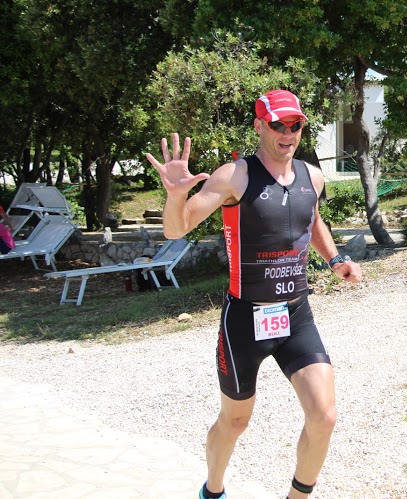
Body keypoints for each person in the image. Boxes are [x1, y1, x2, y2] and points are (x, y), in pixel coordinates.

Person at [146, 89, 363, 499]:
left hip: (296, 315)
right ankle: (212, 490)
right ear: (259, 126)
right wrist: (176, 197)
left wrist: (335, 260)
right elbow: (176, 228)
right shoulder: (235, 176)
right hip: (245, 319)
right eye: (278, 124)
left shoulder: (312, 176)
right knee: (235, 422)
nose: (288, 133)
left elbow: (311, 219)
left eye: (295, 125)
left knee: (324, 416)